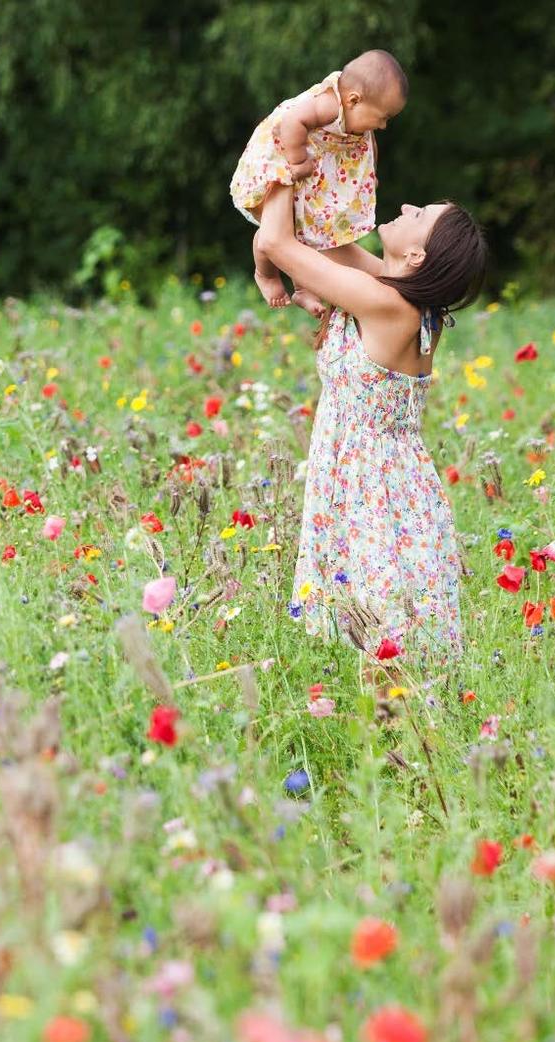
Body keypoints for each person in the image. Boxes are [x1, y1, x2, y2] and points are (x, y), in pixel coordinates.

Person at [254, 183, 487, 667]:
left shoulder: (386, 305)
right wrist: (324, 161)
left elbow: (279, 245)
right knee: (383, 628)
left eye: (418, 212)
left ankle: (396, 730)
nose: (405, 206)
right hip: (381, 478)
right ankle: (392, 726)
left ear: (417, 253)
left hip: (370, 487)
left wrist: (275, 171)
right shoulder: (404, 297)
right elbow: (327, 242)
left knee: (384, 631)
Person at [230, 50, 408, 319]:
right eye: (383, 117)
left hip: (315, 161)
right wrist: (297, 160)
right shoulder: (327, 104)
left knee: (309, 227)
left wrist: (370, 174)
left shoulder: (360, 119)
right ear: (353, 100)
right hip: (284, 151)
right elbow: (292, 121)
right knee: (276, 232)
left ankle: (303, 288)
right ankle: (265, 273)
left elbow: (368, 144)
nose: (383, 125)